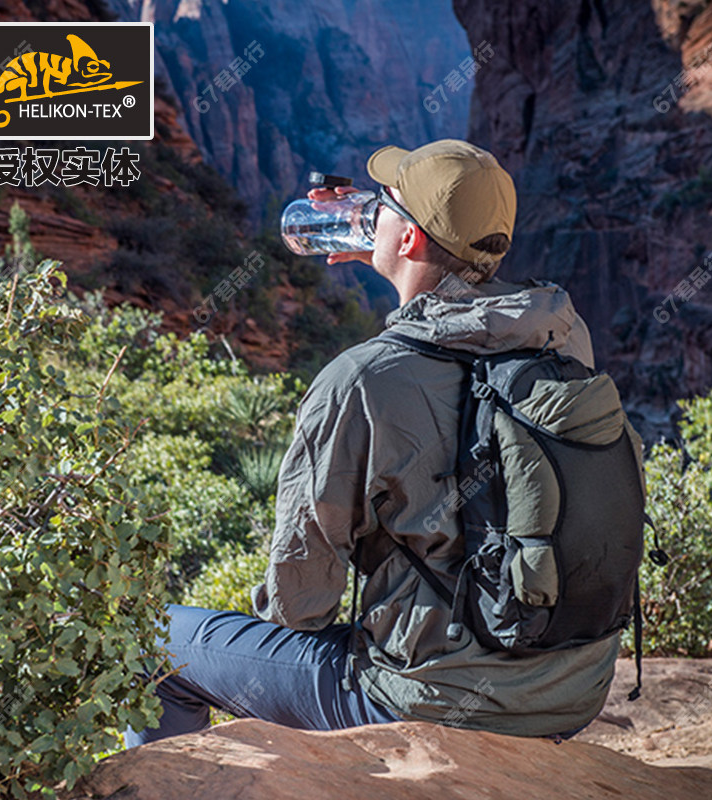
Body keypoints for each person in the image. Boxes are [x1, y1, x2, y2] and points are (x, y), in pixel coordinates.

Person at [124, 139, 618, 748]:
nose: (368, 208)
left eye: (382, 202)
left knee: (153, 637)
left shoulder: (359, 381)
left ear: (408, 237)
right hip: (568, 692)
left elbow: (300, 607)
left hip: (428, 699)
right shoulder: (563, 338)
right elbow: (466, 327)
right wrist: (396, 251)